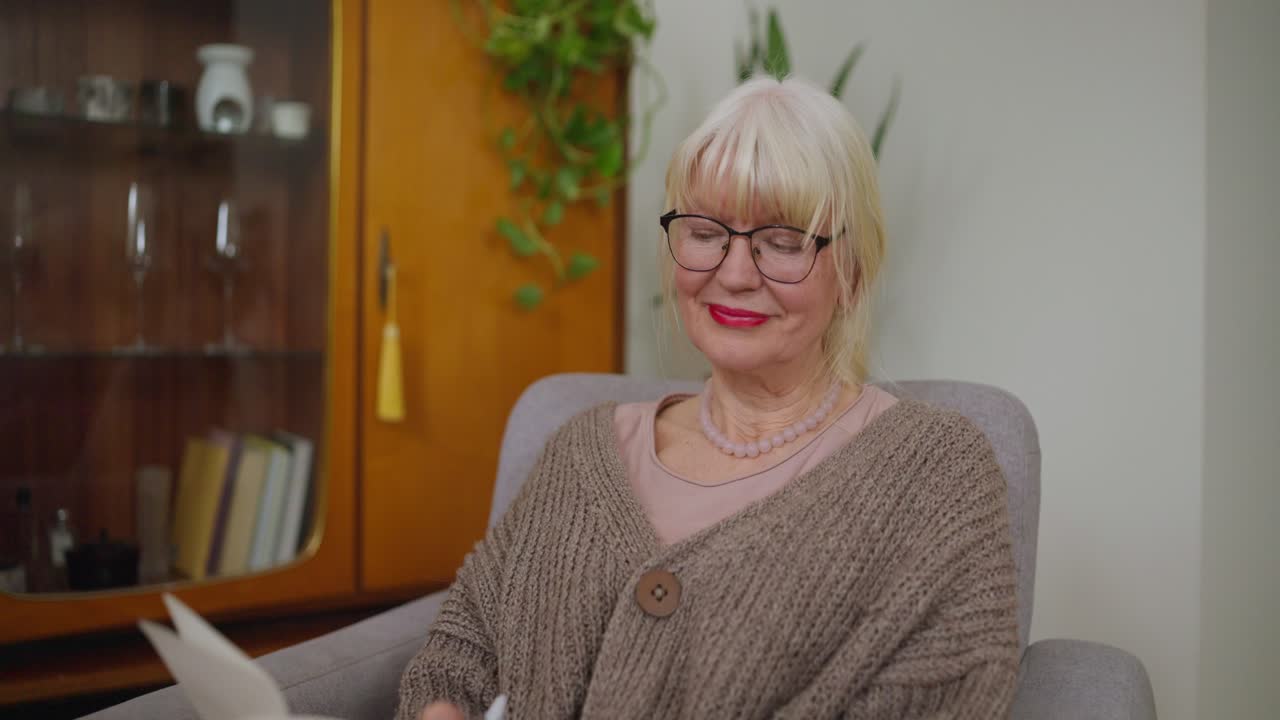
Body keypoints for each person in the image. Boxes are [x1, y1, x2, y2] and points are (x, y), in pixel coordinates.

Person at [398, 75, 1019, 720]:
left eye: (783, 242)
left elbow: (950, 696)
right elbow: (465, 642)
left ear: (854, 273)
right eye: (703, 231)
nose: (734, 273)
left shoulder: (938, 471)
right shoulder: (583, 447)